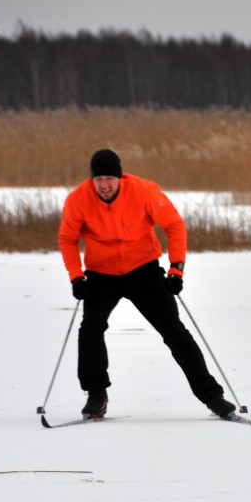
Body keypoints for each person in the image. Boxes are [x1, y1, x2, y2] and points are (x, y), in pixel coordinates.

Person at [57, 149, 237, 419]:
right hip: (101, 273)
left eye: (109, 178)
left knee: (174, 332)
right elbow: (67, 239)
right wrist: (76, 276)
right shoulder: (77, 199)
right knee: (91, 329)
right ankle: (96, 395)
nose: (104, 185)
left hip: (143, 270)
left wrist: (176, 269)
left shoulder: (144, 191)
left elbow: (175, 226)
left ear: (120, 177)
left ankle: (212, 396)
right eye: (99, 179)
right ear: (92, 179)